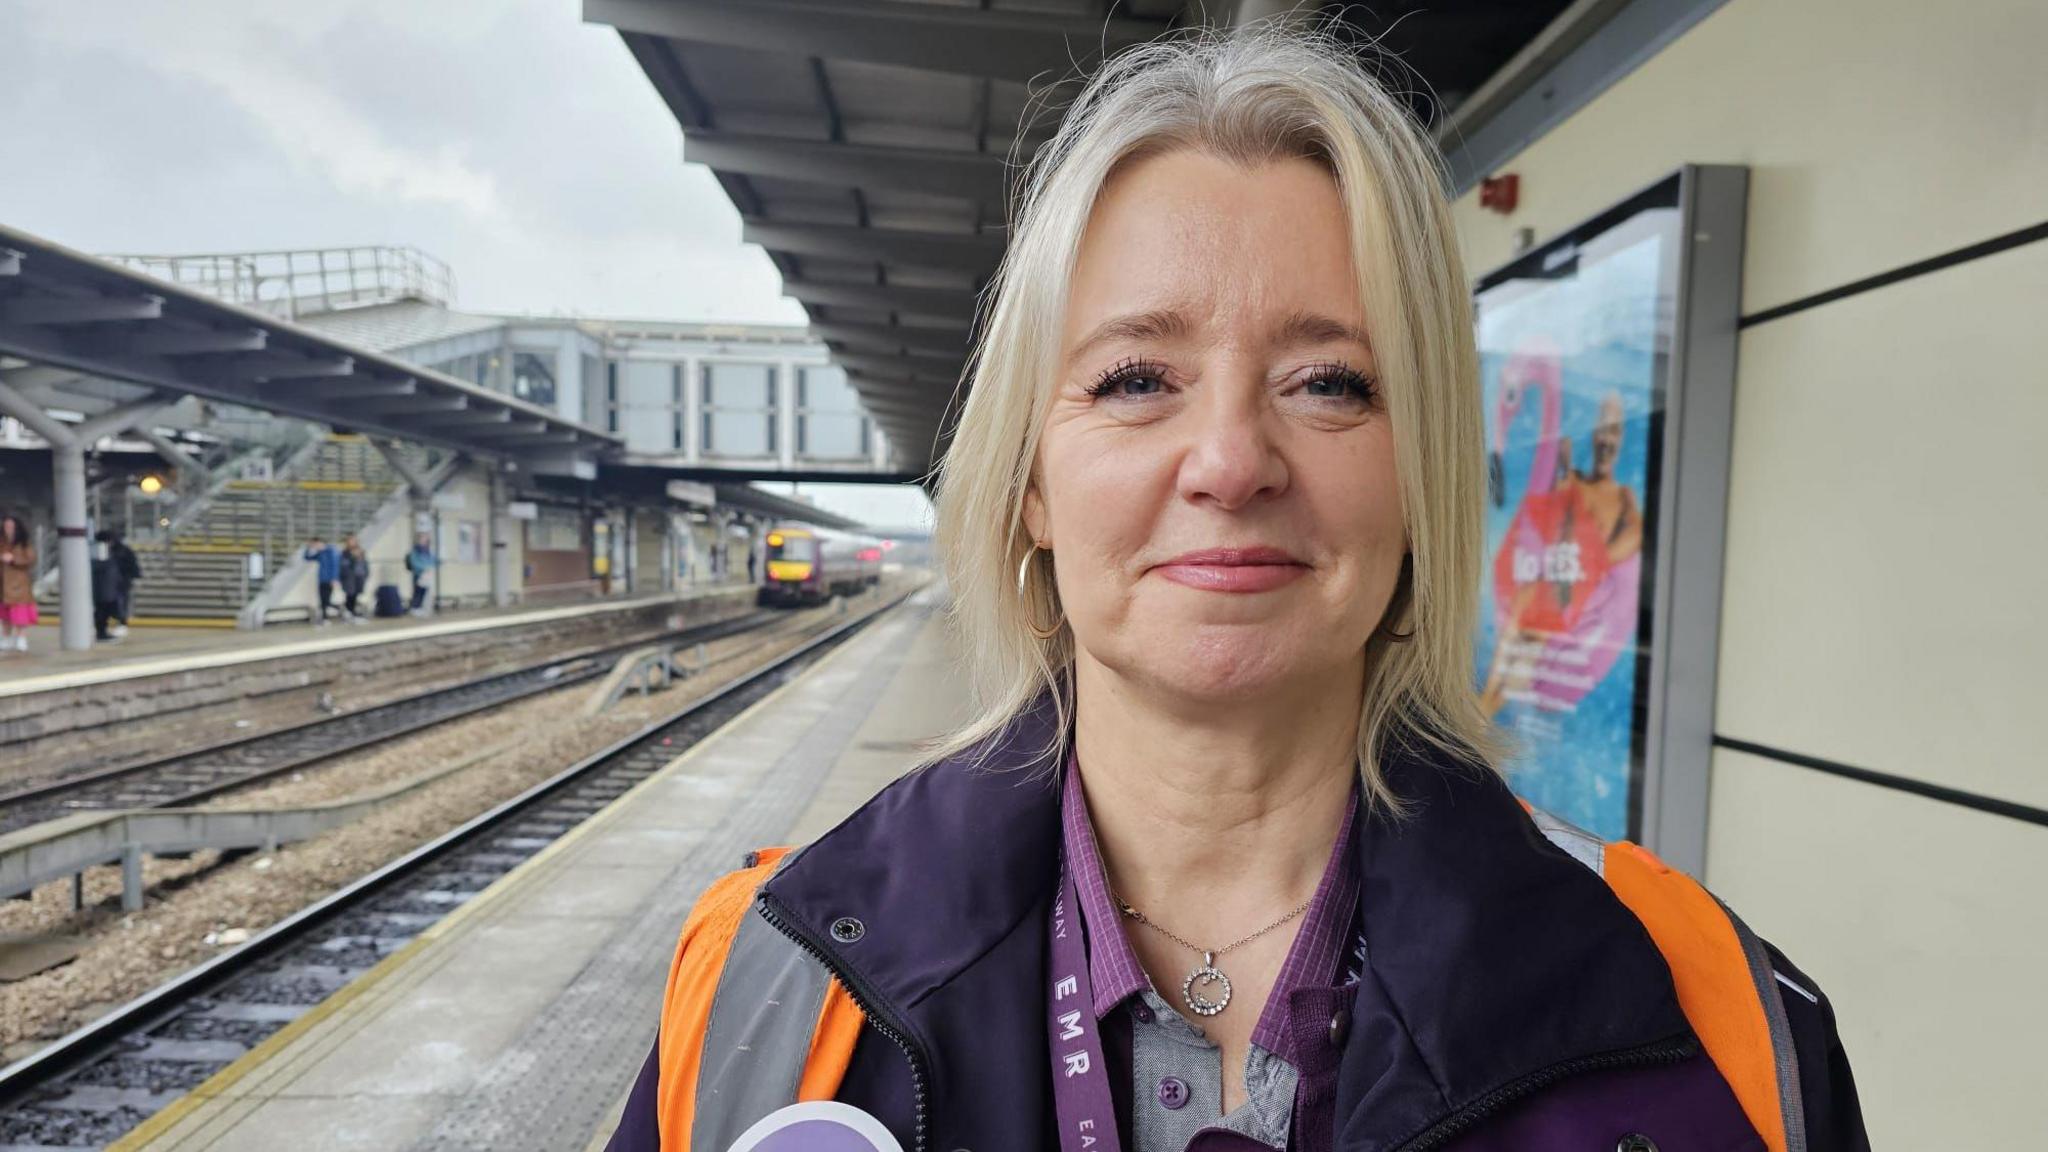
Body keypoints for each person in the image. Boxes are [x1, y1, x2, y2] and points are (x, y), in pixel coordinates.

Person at [606, 28, 1867, 1152]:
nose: (1227, 462)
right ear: (1029, 485)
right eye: (1133, 378)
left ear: (1421, 476)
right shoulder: (762, 992)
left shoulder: (1721, 1030)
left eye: (1328, 382)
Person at [0, 514, 38, 653]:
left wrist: (13, 559)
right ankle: (6, 637)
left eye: (11, 527)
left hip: (18, 584)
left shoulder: (23, 544)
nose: (8, 529)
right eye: (6, 526)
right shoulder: (2, 543)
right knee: (4, 614)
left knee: (19, 613)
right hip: (2, 584)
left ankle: (21, 638)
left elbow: (31, 560)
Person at [108, 529, 142, 638]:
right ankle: (118, 622)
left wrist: (135, 576)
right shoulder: (110, 550)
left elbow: (132, 565)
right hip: (112, 581)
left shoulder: (123, 551)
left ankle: (122, 623)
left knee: (121, 603)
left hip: (122, 581)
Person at [91, 530, 122, 642]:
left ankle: (102, 632)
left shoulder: (106, 551)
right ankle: (101, 633)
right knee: (102, 612)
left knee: (103, 612)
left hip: (106, 588)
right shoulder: (101, 551)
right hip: (103, 588)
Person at [302, 535, 339, 626]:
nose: (314, 547)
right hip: (321, 579)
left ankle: (336, 609)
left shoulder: (331, 551)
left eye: (315, 544)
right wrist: (308, 548)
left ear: (319, 542)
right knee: (323, 600)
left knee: (326, 600)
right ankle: (325, 618)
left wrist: (334, 578)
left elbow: (335, 565)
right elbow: (307, 558)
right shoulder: (320, 553)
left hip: (329, 580)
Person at [338, 534, 370, 623]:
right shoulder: (345, 553)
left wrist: (366, 574)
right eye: (351, 540)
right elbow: (344, 566)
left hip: (359, 576)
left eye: (354, 540)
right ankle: (349, 614)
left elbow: (365, 564)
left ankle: (352, 613)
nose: (352, 542)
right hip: (349, 578)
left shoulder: (361, 551)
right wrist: (353, 557)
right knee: (350, 595)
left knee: (355, 595)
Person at [404, 532, 436, 614]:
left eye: (426, 538)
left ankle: (421, 608)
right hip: (419, 574)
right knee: (418, 591)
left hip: (427, 574)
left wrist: (430, 566)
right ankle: (415, 608)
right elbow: (414, 562)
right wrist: (423, 568)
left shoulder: (427, 551)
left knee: (424, 592)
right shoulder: (415, 550)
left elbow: (432, 560)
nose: (425, 540)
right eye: (423, 538)